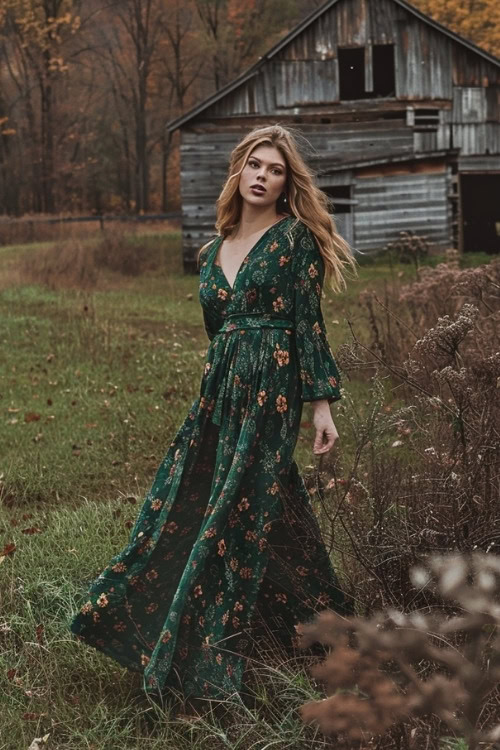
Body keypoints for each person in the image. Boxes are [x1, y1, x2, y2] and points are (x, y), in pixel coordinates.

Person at [68, 124, 356, 715]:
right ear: (238, 172)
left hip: (270, 392)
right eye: (255, 164)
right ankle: (318, 628)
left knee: (232, 506)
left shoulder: (294, 239)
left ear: (285, 183)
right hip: (219, 392)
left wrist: (319, 404)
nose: (263, 176)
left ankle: (207, 662)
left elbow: (308, 323)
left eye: (275, 170)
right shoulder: (211, 250)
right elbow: (217, 333)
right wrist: (221, 382)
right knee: (194, 499)